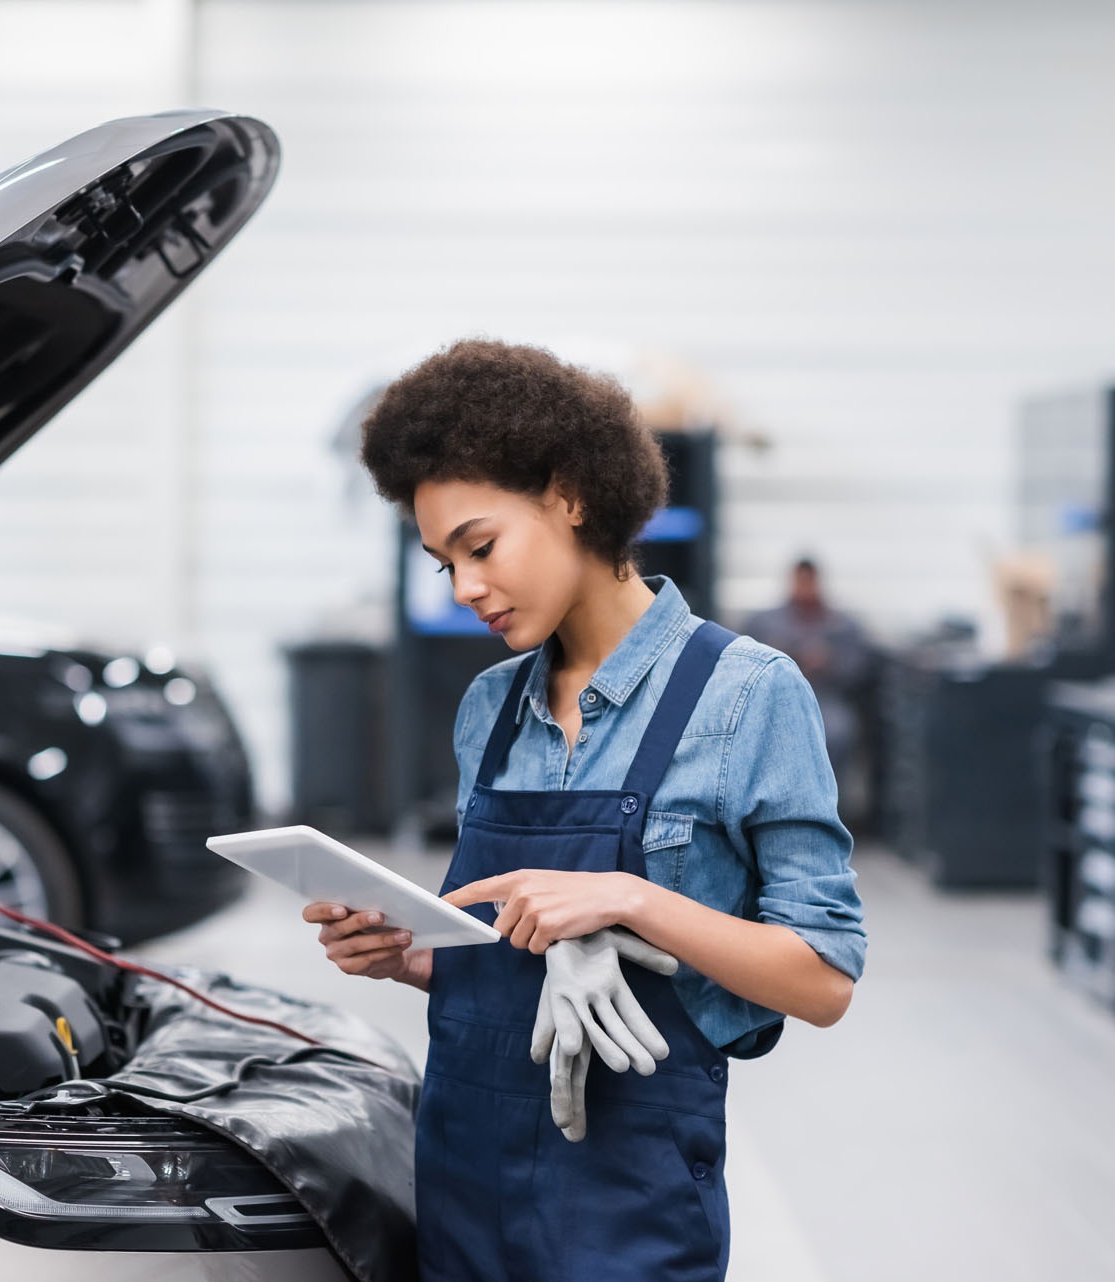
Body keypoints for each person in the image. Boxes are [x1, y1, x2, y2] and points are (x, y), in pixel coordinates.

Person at [301, 340, 865, 1282]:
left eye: (481, 547)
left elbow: (822, 982)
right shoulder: (490, 709)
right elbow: (520, 976)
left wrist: (631, 899)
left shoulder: (745, 696)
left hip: (627, 1206)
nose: (467, 587)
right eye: (445, 564)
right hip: (463, 1180)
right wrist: (412, 958)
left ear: (569, 495)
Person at [744, 558, 873, 779]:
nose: (804, 588)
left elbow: (858, 669)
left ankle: (832, 801)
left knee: (835, 733)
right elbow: (743, 660)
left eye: (808, 581)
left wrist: (828, 662)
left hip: (825, 698)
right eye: (799, 581)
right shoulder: (764, 622)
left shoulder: (842, 624)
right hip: (774, 698)